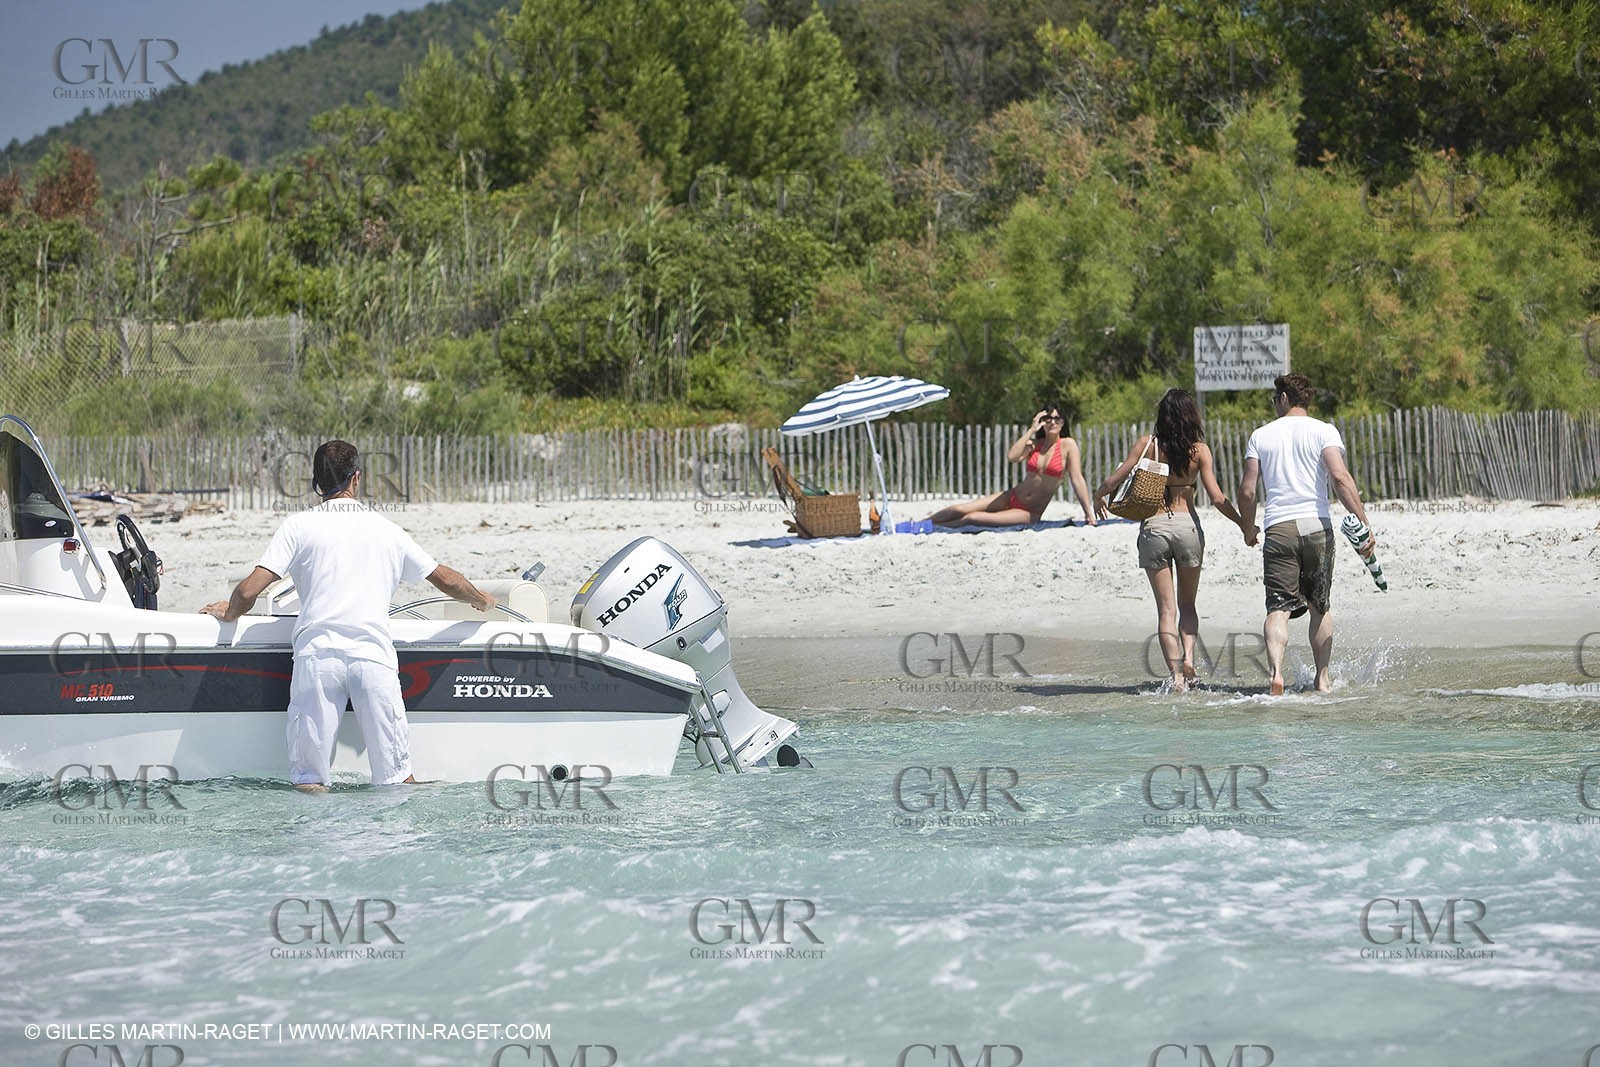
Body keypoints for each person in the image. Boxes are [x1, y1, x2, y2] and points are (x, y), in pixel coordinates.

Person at [201, 441, 496, 792]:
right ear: (357, 478)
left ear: (315, 483)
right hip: (373, 660)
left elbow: (249, 592)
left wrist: (230, 611)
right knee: (398, 779)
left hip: (318, 660)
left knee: (310, 781)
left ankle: (318, 844)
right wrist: (482, 600)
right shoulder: (387, 531)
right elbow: (444, 578)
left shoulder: (298, 527)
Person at [1093, 388, 1255, 692]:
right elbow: (1218, 497)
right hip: (1187, 528)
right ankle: (1190, 659)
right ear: (1190, 415)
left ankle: (1177, 677)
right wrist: (1244, 524)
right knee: (1188, 605)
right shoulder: (1200, 451)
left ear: (1162, 415)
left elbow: (1115, 479)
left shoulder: (1148, 445)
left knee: (1166, 611)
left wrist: (1098, 494)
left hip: (1154, 527)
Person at [1237, 373, 1375, 695]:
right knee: (1319, 607)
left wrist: (1248, 527)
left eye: (1274, 399)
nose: (1273, 405)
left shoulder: (1261, 435)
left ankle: (1276, 674)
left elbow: (1247, 490)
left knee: (1278, 609)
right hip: (1316, 527)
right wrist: (1363, 522)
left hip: (1279, 529)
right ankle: (1322, 680)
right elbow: (1340, 478)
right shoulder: (1323, 431)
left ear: (1284, 398)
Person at [925, 402, 1096, 527]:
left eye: (1057, 418)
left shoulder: (1068, 445)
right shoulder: (1035, 444)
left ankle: (933, 528)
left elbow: (1077, 479)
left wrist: (1089, 515)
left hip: (1029, 512)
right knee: (961, 508)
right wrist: (1031, 429)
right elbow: (1012, 456)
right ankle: (919, 525)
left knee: (973, 518)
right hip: (1012, 495)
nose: (1052, 422)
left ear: (1063, 422)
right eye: (1048, 419)